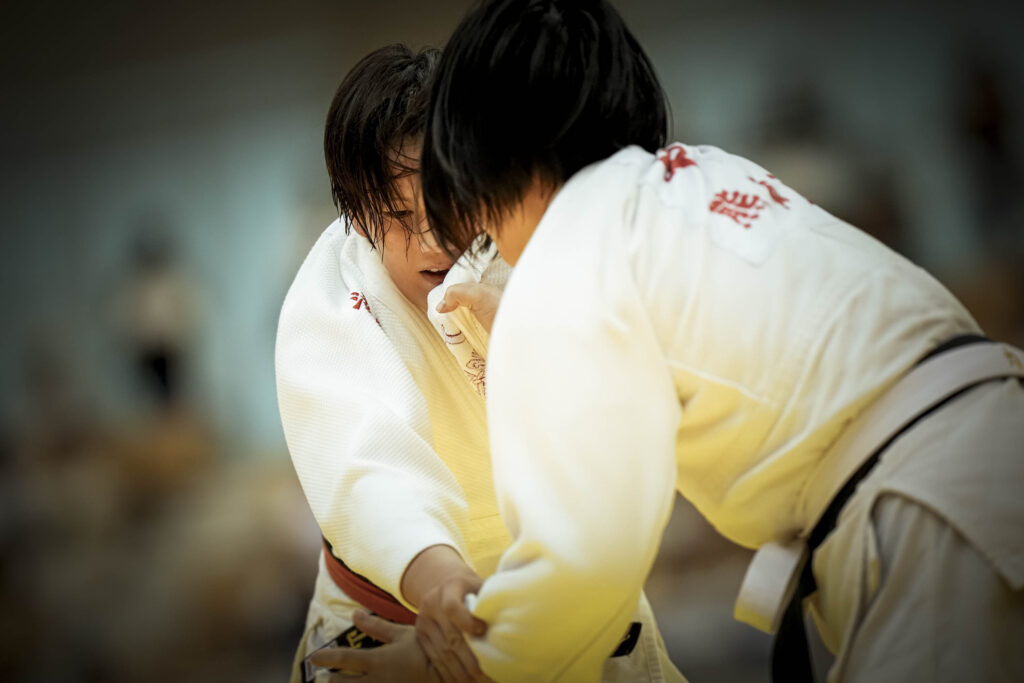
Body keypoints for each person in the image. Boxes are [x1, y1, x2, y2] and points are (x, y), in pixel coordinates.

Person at [417, 1, 1024, 682]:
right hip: (986, 444)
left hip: (935, 504)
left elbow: (579, 566)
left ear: (485, 163)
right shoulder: (703, 176)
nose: (497, 254)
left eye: (482, 231)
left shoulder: (565, 253)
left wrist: (442, 665)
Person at [275, 43, 686, 683]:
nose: (432, 241)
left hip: (558, 589)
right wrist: (437, 577)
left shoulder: (535, 239)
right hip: (399, 608)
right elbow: (366, 463)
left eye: (448, 204)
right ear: (355, 209)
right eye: (399, 216)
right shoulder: (333, 298)